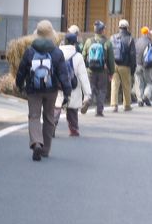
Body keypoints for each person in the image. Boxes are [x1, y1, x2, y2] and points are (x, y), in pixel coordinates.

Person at [16, 20, 72, 161]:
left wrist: (19, 85)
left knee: (34, 116)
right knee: (48, 117)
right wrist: (67, 92)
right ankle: (45, 149)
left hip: (33, 90)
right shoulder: (56, 52)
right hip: (51, 90)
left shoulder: (30, 51)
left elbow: (21, 71)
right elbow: (63, 74)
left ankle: (36, 143)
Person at [54, 33, 92, 136]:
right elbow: (83, 76)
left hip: (58, 86)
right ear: (75, 43)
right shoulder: (78, 56)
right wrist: (87, 94)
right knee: (72, 109)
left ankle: (51, 127)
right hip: (73, 86)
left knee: (56, 107)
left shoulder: (57, 53)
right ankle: (73, 129)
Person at [82, 20, 115, 117]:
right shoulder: (107, 43)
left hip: (90, 70)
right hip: (102, 70)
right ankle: (99, 111)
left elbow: (83, 55)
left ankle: (88, 100)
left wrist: (85, 67)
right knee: (102, 89)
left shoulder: (89, 41)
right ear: (102, 31)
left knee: (90, 87)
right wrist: (111, 72)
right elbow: (111, 59)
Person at [110, 19, 136, 112]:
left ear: (119, 27)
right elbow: (133, 55)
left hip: (114, 64)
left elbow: (109, 52)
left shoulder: (113, 37)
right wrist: (133, 68)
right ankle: (127, 105)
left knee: (114, 84)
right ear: (127, 27)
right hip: (125, 65)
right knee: (126, 85)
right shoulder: (130, 39)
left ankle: (114, 105)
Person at [134, 26, 152, 107]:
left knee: (138, 82)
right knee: (149, 82)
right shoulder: (150, 42)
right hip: (148, 65)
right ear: (147, 33)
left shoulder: (137, 42)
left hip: (137, 65)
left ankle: (140, 100)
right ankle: (146, 96)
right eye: (149, 33)